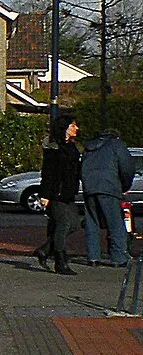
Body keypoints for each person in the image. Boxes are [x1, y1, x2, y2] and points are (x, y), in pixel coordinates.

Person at [34, 111, 83, 276]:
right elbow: (48, 173)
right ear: (65, 128)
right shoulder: (54, 149)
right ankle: (60, 262)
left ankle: (45, 249)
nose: (76, 128)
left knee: (75, 224)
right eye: (73, 125)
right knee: (63, 225)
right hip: (57, 193)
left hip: (68, 192)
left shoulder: (71, 146)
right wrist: (45, 195)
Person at [81, 129, 137, 268]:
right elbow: (127, 167)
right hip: (109, 186)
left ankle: (93, 257)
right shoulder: (116, 145)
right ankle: (118, 257)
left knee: (92, 222)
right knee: (115, 223)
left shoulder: (89, 147)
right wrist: (124, 186)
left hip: (90, 187)